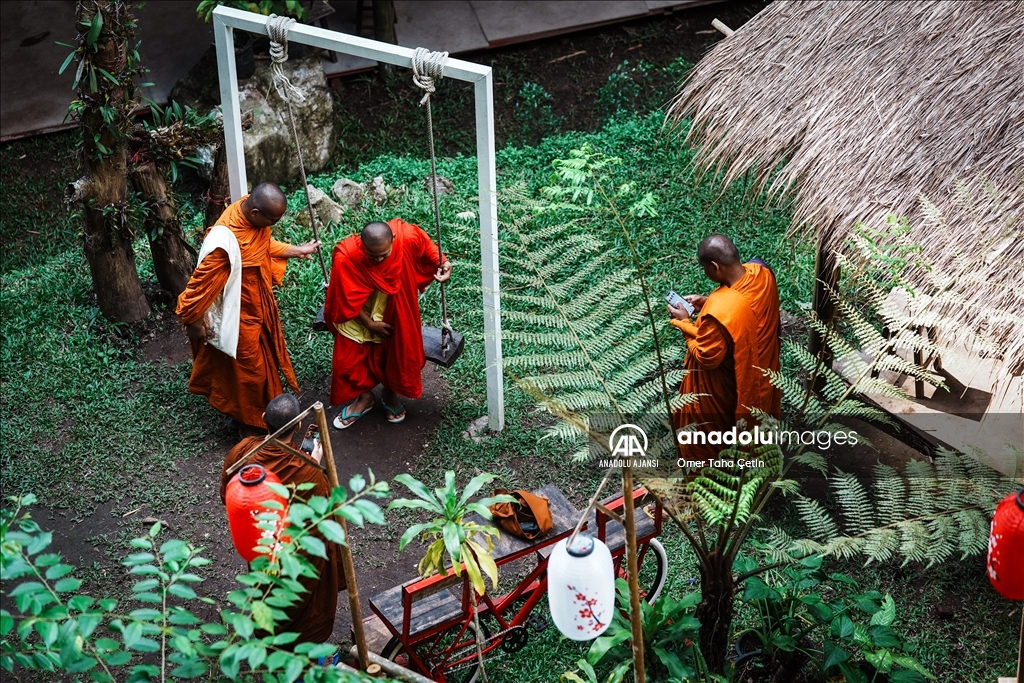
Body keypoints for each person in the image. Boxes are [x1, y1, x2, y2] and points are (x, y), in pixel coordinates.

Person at [176, 183, 320, 431]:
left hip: (258, 305)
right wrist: (194, 323)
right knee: (249, 368)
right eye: (272, 220)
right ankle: (251, 421)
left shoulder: (248, 212)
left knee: (260, 361)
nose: (273, 225)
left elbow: (262, 245)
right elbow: (196, 291)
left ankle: (254, 411)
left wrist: (296, 250)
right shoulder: (224, 243)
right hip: (238, 314)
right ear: (255, 213)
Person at [219, 393, 344, 644]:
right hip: (296, 552)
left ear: (264, 417)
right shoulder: (309, 473)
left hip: (262, 543)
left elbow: (227, 493)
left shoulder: (243, 452)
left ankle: (268, 636)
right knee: (303, 600)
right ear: (299, 425)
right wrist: (313, 463)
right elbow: (326, 519)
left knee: (266, 587)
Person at [323, 219, 451, 428]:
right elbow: (343, 298)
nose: (379, 260)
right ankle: (365, 397)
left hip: (393, 310)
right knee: (345, 363)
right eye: (372, 255)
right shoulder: (346, 256)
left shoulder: (406, 237)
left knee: (397, 356)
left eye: (384, 254)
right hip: (359, 316)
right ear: (362, 245)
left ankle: (389, 394)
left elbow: (427, 246)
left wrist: (443, 262)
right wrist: (369, 324)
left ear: (393, 239)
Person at [669, 234, 781, 458]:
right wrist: (705, 301)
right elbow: (740, 308)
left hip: (733, 383)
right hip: (764, 373)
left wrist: (684, 323)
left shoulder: (722, 308)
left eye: (705, 268)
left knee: (713, 441)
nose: (705, 272)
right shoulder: (762, 274)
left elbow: (707, 356)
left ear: (715, 266)